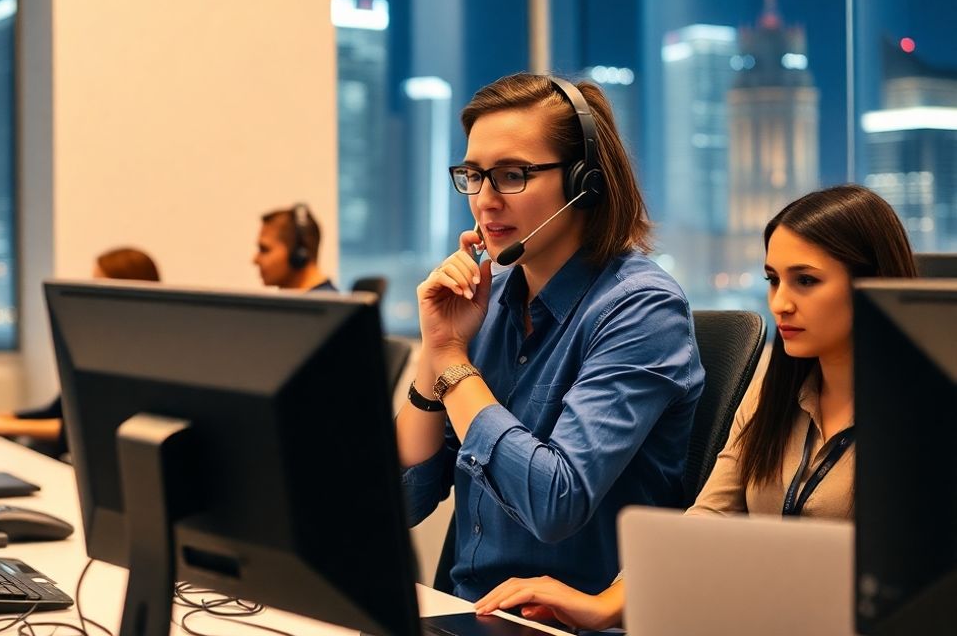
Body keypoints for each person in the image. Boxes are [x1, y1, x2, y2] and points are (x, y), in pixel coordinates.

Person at [475, 184, 918, 630]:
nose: (780, 303)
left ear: (870, 285)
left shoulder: (923, 417)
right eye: (773, 279)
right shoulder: (776, 392)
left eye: (806, 280)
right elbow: (709, 519)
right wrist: (604, 605)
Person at [398, 73, 705, 601]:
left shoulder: (640, 309)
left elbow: (553, 502)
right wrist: (437, 347)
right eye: (474, 175)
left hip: (573, 623)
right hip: (470, 610)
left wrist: (453, 362)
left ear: (585, 182)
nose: (485, 201)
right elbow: (400, 502)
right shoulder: (487, 302)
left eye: (512, 175)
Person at [0, 247, 161, 451]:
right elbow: (57, 412)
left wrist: (1, 425)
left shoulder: (142, 358)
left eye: (100, 286)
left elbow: (91, 429)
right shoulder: (102, 350)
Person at [253, 204, 337, 292]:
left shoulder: (324, 305)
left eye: (264, 249)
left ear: (299, 255)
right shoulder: (297, 302)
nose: (255, 260)